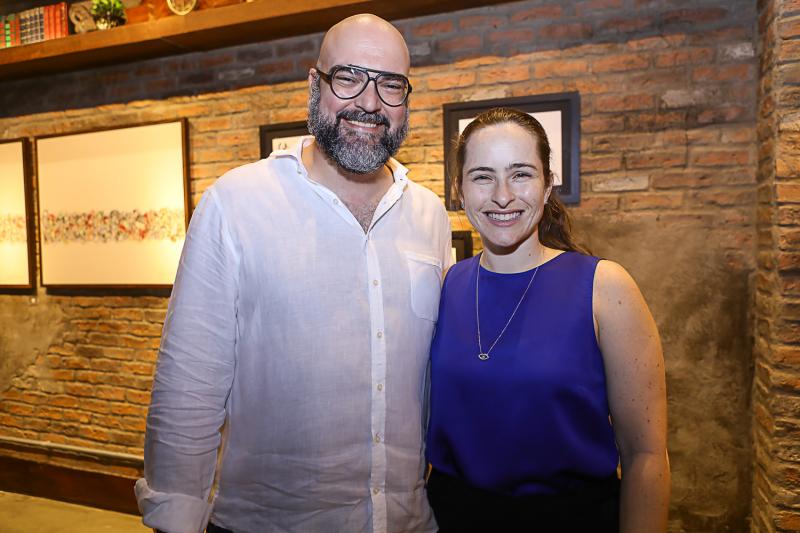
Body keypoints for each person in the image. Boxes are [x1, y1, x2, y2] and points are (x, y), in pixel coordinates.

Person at [135, 14, 451, 533]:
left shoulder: (429, 215)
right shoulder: (235, 204)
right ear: (314, 84)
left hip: (407, 522)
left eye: (391, 85)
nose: (370, 103)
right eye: (348, 77)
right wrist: (176, 516)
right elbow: (189, 382)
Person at [425, 107, 670, 532]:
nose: (503, 195)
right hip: (453, 517)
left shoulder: (603, 286)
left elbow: (645, 455)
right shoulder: (445, 285)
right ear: (458, 191)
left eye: (520, 174)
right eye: (483, 176)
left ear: (547, 185)